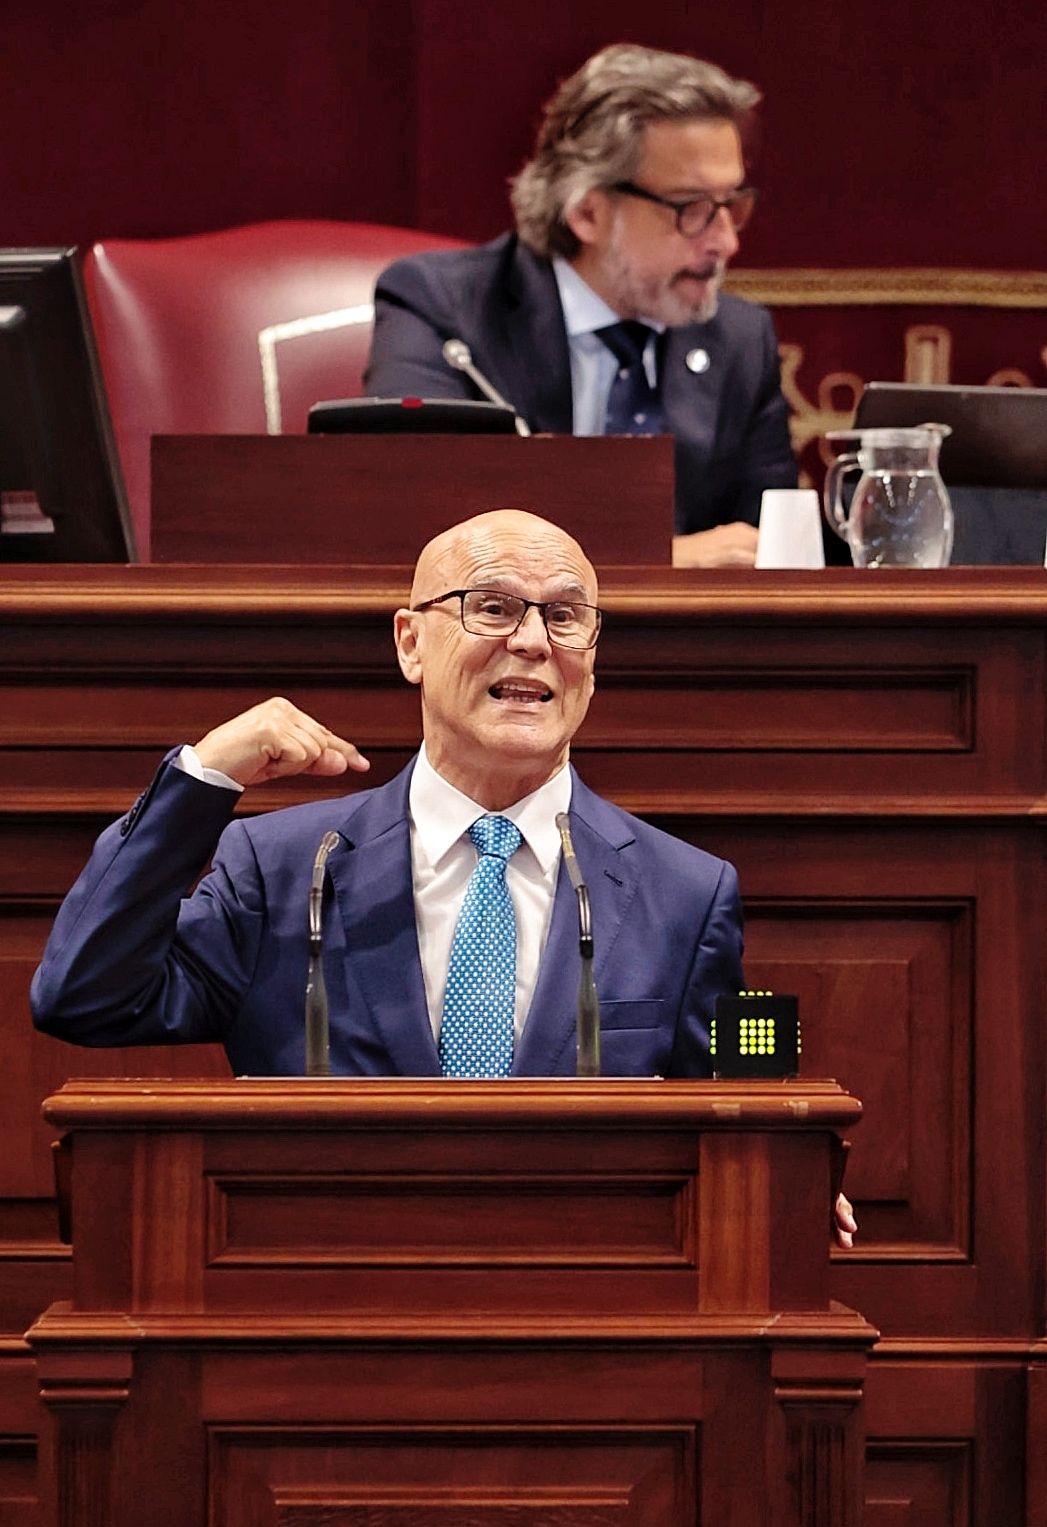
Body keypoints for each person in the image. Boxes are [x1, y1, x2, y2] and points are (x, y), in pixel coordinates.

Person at [30, 508, 855, 1244]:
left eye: (565, 616)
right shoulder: (279, 867)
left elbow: (745, 1119)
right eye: (492, 607)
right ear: (409, 642)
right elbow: (85, 994)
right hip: (314, 1325)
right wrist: (204, 776)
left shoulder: (683, 892)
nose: (533, 639)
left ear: (592, 661)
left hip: (585, 1332)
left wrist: (789, 1172)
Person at [364, 44, 798, 569]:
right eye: (694, 209)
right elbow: (409, 523)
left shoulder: (740, 339)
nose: (725, 242)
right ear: (587, 212)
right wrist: (663, 557)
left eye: (732, 204)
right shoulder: (441, 309)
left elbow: (772, 553)